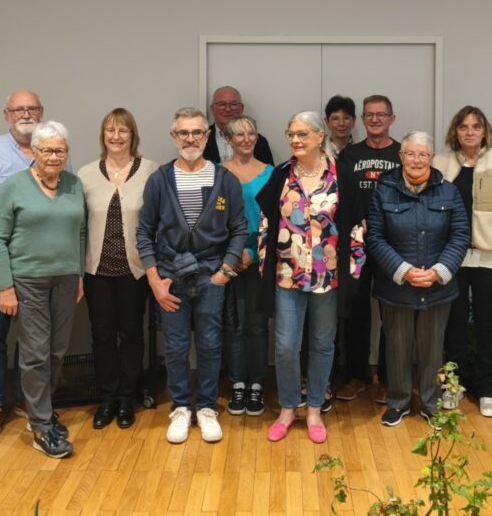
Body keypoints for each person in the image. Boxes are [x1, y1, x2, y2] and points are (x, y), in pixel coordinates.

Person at [136, 107, 247, 445]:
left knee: (212, 345)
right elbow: (144, 232)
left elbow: (239, 229)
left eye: (197, 132)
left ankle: (208, 407)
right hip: (170, 277)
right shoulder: (160, 179)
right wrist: (155, 280)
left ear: (207, 135)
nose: (190, 139)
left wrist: (225, 272)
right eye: (183, 133)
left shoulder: (224, 178)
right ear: (173, 137)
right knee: (176, 346)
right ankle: (182, 407)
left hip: (210, 275)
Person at [257, 112, 363, 443]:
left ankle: (315, 407)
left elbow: (357, 228)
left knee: (322, 343)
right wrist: (264, 269)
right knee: (287, 345)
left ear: (320, 136)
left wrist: (354, 273)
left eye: (302, 134)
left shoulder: (341, 175)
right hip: (287, 275)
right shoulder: (280, 176)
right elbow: (265, 225)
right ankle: (289, 407)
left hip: (328, 277)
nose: (295, 140)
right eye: (291, 134)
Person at [0, 89, 69, 438]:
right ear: (6, 114)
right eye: (18, 109)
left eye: (32, 108)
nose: (25, 114)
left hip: (40, 268)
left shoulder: (56, 153)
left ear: (41, 112)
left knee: (38, 343)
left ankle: (34, 404)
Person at [0, 121, 85, 459]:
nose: (54, 156)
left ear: (67, 153)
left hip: (66, 279)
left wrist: (79, 273)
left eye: (60, 150)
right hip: (27, 280)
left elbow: (81, 231)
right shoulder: (14, 187)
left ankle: (41, 410)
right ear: (35, 152)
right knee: (35, 353)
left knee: (58, 350)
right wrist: (5, 287)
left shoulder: (74, 184)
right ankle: (41, 426)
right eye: (47, 150)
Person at [368, 131, 468, 426]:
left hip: (437, 286)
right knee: (396, 344)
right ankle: (397, 401)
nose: (416, 160)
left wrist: (438, 271)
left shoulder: (448, 191)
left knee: (432, 344)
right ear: (400, 157)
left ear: (431, 158)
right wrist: (404, 271)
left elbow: (460, 235)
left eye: (422, 154)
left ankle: (430, 402)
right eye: (410, 154)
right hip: (396, 284)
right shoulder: (383, 190)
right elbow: (374, 237)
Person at [432, 106, 492, 418]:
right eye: (463, 127)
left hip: (490, 256)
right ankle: (453, 386)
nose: (470, 132)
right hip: (452, 256)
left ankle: (487, 389)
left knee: (487, 321)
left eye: (476, 126)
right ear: (455, 131)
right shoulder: (439, 164)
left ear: (485, 131)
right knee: (454, 323)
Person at [77, 109, 158, 430]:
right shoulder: (85, 174)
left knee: (132, 334)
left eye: (123, 130)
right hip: (96, 271)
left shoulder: (151, 171)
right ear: (103, 135)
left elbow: (157, 220)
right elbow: (78, 225)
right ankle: (107, 398)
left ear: (132, 135)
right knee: (102, 336)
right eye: (110, 130)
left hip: (134, 271)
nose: (116, 136)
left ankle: (127, 398)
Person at [335, 94, 400, 402]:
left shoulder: (403, 153)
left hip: (393, 245)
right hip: (357, 244)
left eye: (381, 115)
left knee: (392, 313)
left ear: (391, 119)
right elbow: (341, 197)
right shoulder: (348, 155)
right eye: (369, 115)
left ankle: (388, 379)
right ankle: (356, 376)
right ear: (362, 120)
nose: (375, 120)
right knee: (356, 311)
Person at [221, 115, 272, 417]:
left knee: (255, 324)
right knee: (232, 324)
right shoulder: (217, 173)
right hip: (225, 259)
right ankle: (237, 383)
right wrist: (230, 254)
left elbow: (275, 220)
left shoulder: (270, 174)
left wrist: (253, 251)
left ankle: (257, 385)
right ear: (228, 140)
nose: (245, 139)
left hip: (258, 258)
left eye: (251, 133)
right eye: (238, 135)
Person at [203, 86, 274, 165]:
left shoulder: (259, 141)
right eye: (221, 104)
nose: (228, 109)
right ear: (212, 109)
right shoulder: (201, 138)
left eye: (233, 104)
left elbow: (269, 175)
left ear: (241, 108)